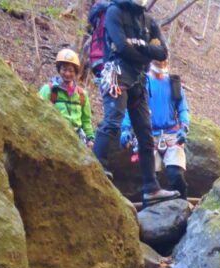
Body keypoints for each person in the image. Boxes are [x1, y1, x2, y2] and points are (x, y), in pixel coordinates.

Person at [91, 0, 179, 204]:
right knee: (113, 120)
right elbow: (121, 46)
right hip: (117, 74)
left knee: (146, 134)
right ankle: (97, 166)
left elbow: (163, 52)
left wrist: (139, 47)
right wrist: (146, 52)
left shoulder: (149, 21)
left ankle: (151, 187)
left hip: (138, 80)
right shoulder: (114, 12)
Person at [120, 56, 190, 198]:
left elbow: (183, 108)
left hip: (172, 134)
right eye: (158, 61)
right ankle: (150, 211)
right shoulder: (141, 83)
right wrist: (126, 129)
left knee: (176, 174)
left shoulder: (174, 84)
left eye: (163, 61)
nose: (161, 64)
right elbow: (131, 108)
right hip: (148, 135)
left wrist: (184, 127)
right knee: (151, 177)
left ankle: (183, 204)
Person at [38, 49, 95, 148]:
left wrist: (90, 138)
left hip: (77, 138)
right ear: (59, 70)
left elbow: (86, 119)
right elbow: (38, 111)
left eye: (71, 70)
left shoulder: (81, 94)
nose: (67, 74)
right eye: (64, 69)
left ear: (75, 72)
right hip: (55, 136)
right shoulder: (48, 90)